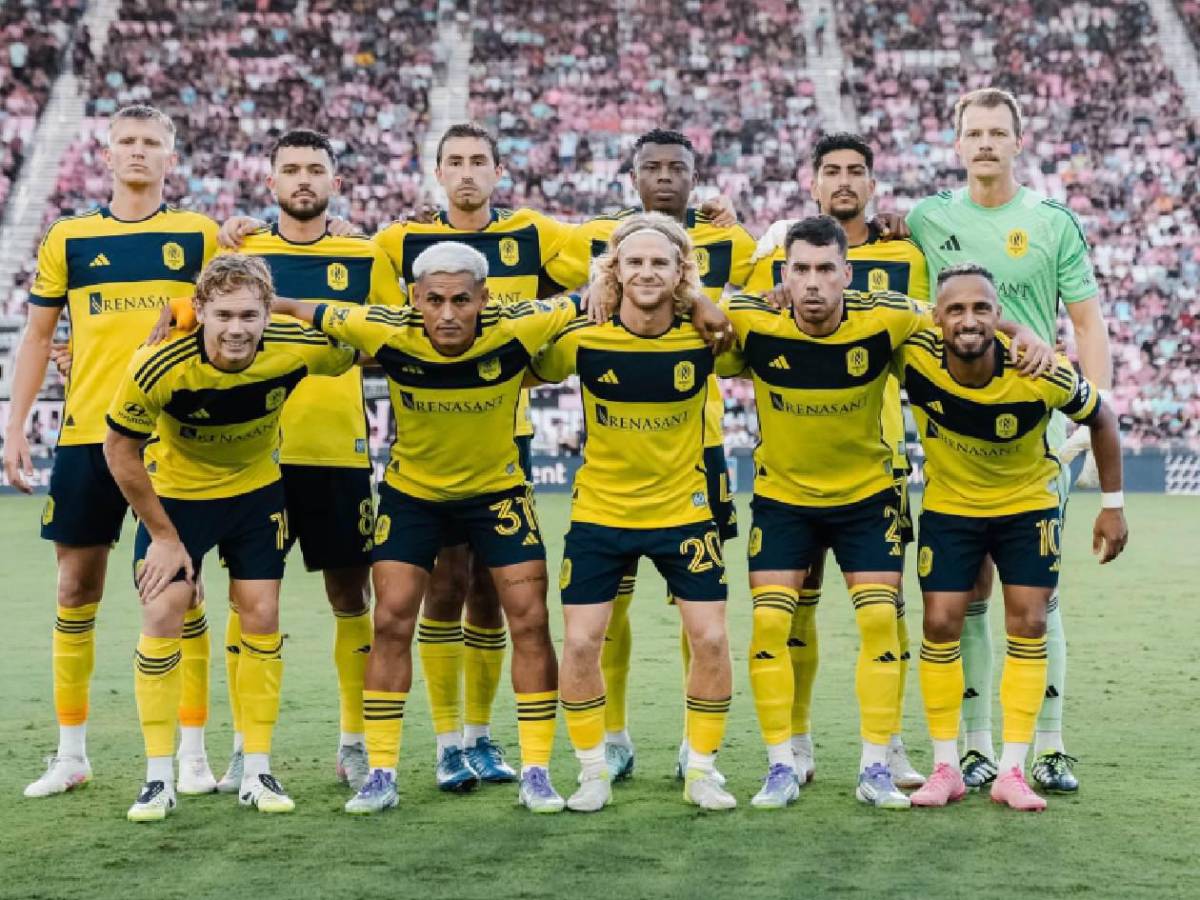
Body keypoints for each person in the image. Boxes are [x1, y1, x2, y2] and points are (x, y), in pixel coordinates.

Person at [723, 216, 1052, 809]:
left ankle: (875, 765)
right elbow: (702, 318)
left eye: (827, 269)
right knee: (770, 625)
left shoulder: (889, 315)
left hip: (867, 500)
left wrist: (1021, 326)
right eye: (801, 270)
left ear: (847, 275)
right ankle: (780, 764)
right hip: (783, 500)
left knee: (880, 624)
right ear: (784, 275)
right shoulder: (753, 321)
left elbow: (964, 311)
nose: (814, 282)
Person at [272, 241, 580, 814]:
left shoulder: (522, 324)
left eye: (461, 300)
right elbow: (301, 307)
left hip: (497, 495)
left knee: (532, 621)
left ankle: (536, 771)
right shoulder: (385, 327)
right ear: (414, 298)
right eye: (433, 300)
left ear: (484, 299)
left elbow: (589, 300)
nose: (446, 314)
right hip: (413, 497)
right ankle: (383, 774)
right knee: (390, 622)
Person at [161, 129, 405, 795]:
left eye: (316, 169)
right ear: (269, 182)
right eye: (291, 169)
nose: (304, 179)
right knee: (250, 603)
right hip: (252, 457)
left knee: (351, 596)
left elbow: (387, 341)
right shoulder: (240, 252)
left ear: (335, 180)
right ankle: (246, 748)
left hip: (336, 451)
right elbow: (198, 330)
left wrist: (337, 337)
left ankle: (353, 744)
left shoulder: (364, 252)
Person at [4, 105, 219, 799]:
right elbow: (38, 339)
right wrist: (12, 430)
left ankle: (192, 754)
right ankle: (71, 754)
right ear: (104, 155)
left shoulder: (199, 234)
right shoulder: (69, 237)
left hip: (172, 440)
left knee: (180, 594)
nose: (137, 151)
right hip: (85, 437)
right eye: (126, 141)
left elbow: (235, 314)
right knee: (75, 589)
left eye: (151, 142)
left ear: (170, 157)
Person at [905, 88, 1111, 792]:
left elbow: (1085, 323)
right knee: (965, 594)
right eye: (974, 132)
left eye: (998, 131)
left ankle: (1047, 745)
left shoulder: (1052, 223)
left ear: (1019, 142)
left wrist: (1088, 415)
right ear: (957, 144)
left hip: (1039, 425)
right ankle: (972, 747)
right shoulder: (928, 219)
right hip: (958, 432)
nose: (986, 142)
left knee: (1038, 596)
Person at [104, 254, 358, 820]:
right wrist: (163, 537)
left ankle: (257, 768)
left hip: (255, 495)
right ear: (199, 312)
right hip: (177, 502)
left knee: (261, 614)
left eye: (249, 314)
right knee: (163, 611)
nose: (237, 328)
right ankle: (157, 778)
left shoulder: (294, 346)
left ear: (267, 314)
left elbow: (360, 341)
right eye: (223, 315)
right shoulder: (157, 364)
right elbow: (118, 450)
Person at [543, 129, 756, 782]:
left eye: (678, 168)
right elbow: (530, 274)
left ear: (696, 176)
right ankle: (612, 736)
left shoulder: (732, 242)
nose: (664, 177)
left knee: (700, 616)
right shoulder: (589, 239)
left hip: (701, 449)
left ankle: (696, 752)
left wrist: (707, 292)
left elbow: (742, 316)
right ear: (631, 175)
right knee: (610, 611)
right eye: (651, 167)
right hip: (616, 468)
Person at [897, 263, 1126, 811]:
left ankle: (1013, 770)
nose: (969, 319)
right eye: (956, 309)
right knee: (940, 622)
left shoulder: (1038, 371)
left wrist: (1112, 507)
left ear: (999, 316)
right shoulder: (914, 356)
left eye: (981, 308)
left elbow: (1104, 417)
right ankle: (947, 766)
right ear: (937, 317)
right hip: (951, 507)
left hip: (1027, 507)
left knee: (1029, 620)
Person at [745, 132, 929, 788]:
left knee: (887, 612)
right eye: (832, 171)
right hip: (792, 466)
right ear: (813, 181)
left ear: (873, 184)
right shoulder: (777, 246)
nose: (845, 181)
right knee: (790, 609)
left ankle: (891, 745)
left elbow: (951, 317)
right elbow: (734, 320)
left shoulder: (909, 247)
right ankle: (793, 746)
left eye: (857, 171)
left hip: (875, 465)